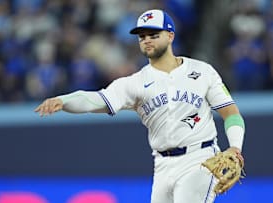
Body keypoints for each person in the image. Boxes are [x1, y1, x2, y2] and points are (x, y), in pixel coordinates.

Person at [34, 9, 245, 203]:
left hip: (200, 157)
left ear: (170, 36)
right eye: (142, 36)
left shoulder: (202, 71)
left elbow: (231, 113)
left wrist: (235, 147)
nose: (147, 40)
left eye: (154, 35)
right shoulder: (134, 83)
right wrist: (64, 101)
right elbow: (94, 100)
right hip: (162, 164)